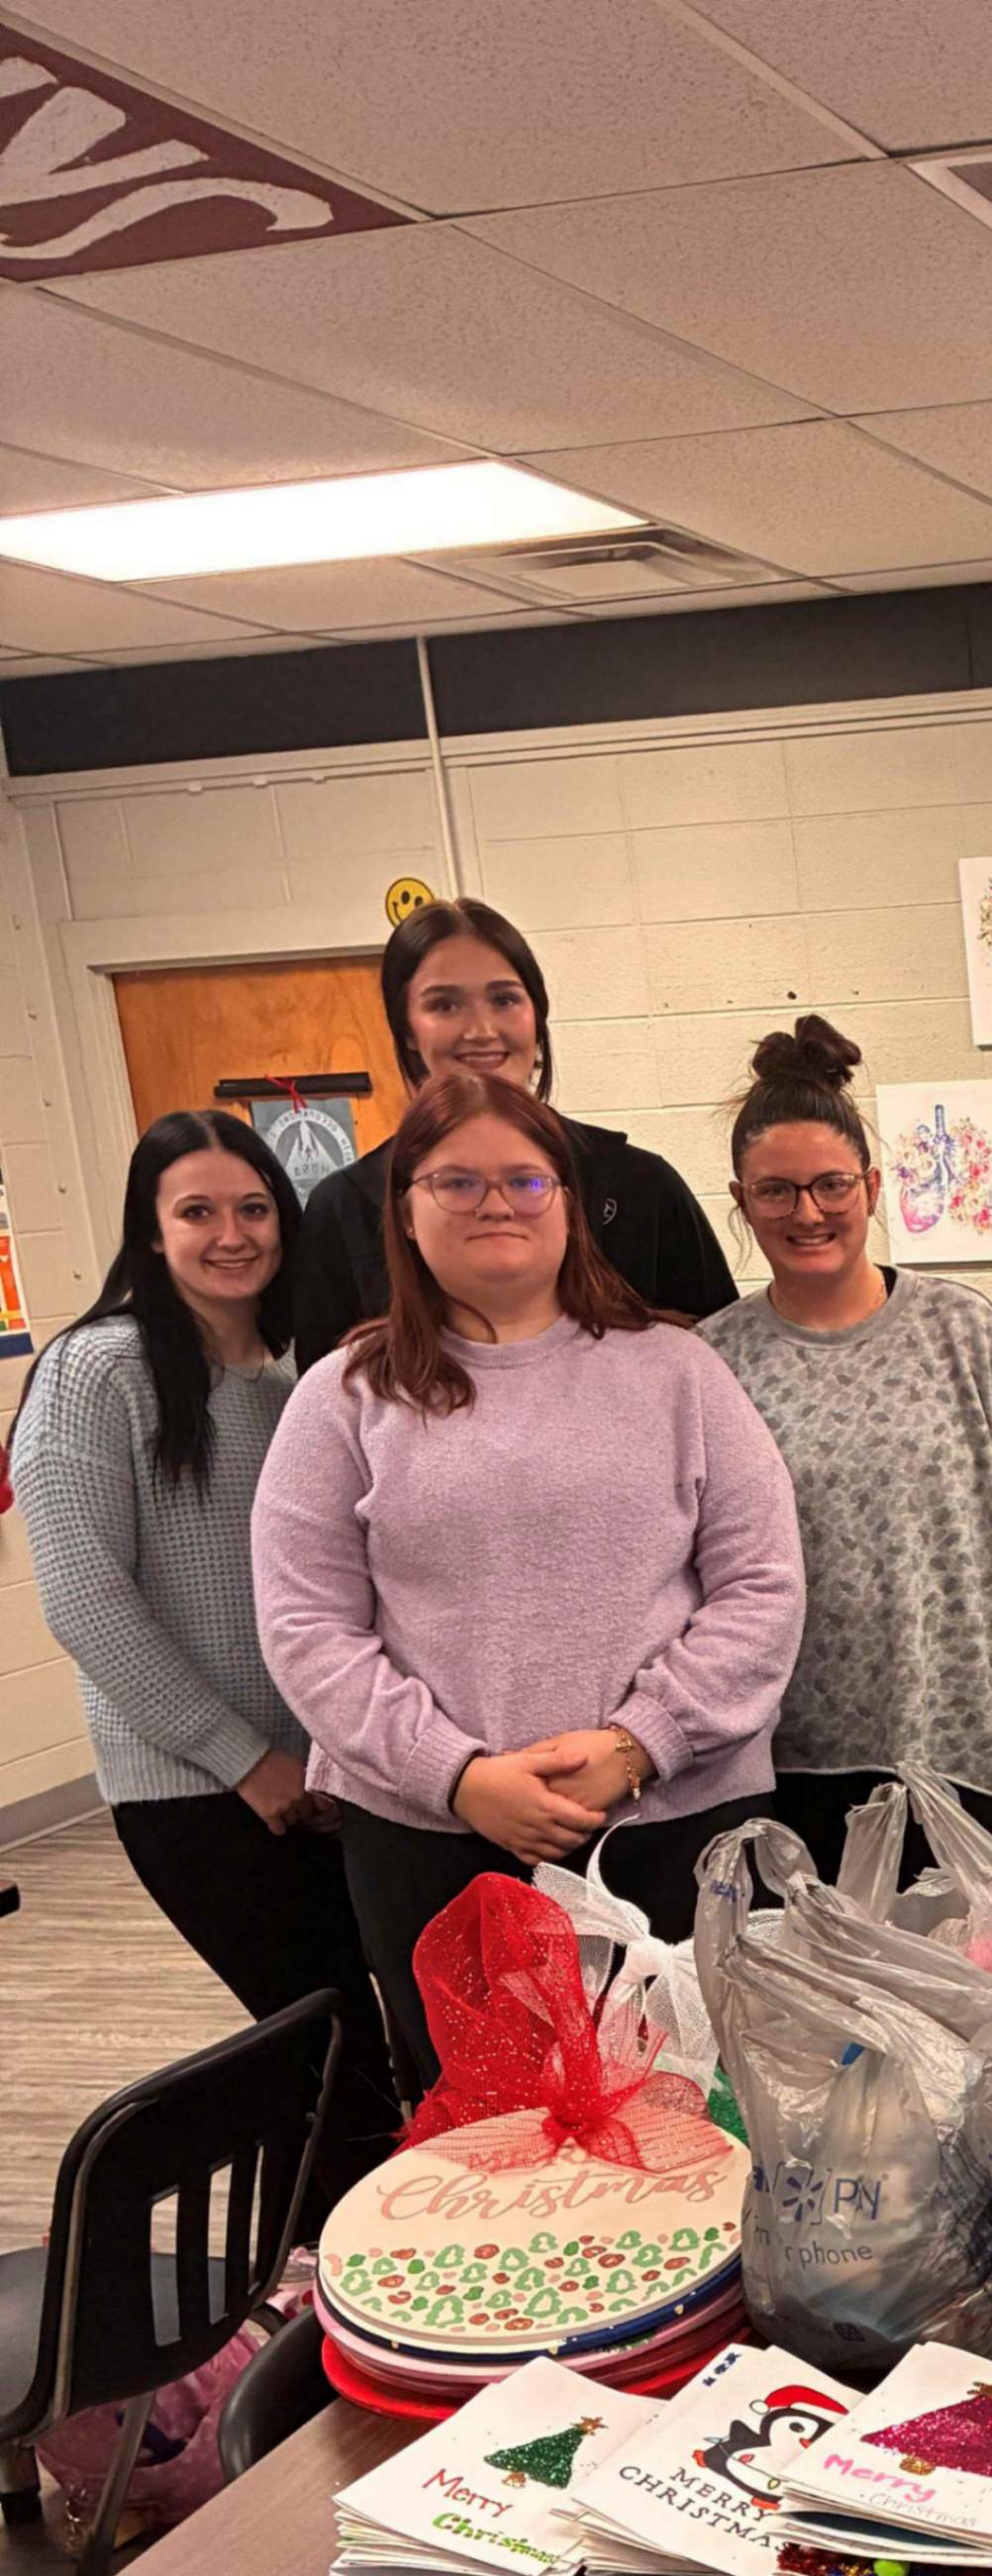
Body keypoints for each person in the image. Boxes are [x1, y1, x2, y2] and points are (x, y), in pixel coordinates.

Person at [250, 1074, 802, 2094]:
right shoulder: (343, 1397)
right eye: (455, 1181)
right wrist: (458, 1776)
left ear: (566, 1202)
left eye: (525, 1178)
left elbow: (762, 1588)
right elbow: (305, 1625)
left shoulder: (678, 1372)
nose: (494, 1201)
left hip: (669, 1823)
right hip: (435, 1847)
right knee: (497, 2140)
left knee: (690, 2126)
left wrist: (642, 1743)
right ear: (405, 1211)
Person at [12, 1110, 400, 2188]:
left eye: (254, 1208)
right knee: (328, 2064)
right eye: (197, 1211)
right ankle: (300, 2308)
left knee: (352, 2061)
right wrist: (243, 1759)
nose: (232, 1234)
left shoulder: (294, 1384)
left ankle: (318, 2283)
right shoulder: (97, 1371)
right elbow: (85, 1599)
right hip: (200, 1793)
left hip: (325, 1779)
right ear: (148, 1232)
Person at [701, 1018, 992, 1873]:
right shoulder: (710, 1364)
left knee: (984, 1998)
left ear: (874, 1186)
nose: (807, 1212)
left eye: (831, 1185)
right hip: (779, 1774)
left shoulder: (964, 1333)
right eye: (776, 1191)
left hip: (967, 1762)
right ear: (740, 1201)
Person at [288, 898, 735, 1368]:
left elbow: (719, 1361)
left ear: (537, 1018)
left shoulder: (642, 1187)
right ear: (406, 1031)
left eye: (504, 999)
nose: (481, 1029)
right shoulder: (342, 1209)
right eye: (445, 1004)